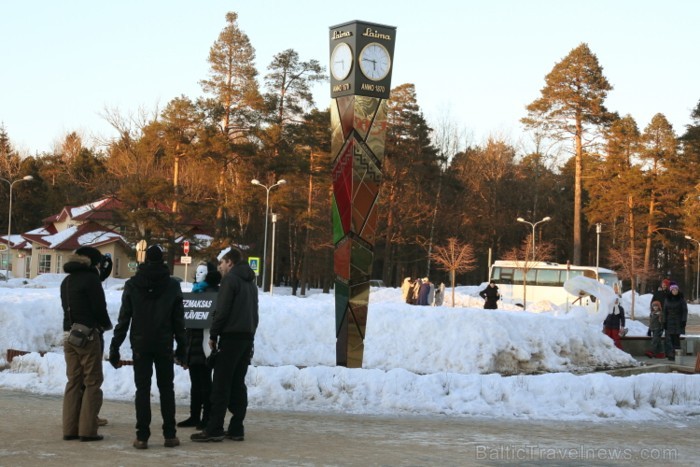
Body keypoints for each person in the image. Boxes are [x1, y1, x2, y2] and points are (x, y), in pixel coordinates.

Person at [109, 244, 187, 450]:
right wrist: (182, 347)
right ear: (162, 259)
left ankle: (142, 436)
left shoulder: (133, 284)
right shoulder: (172, 285)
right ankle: (170, 434)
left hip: (140, 344)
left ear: (145, 258)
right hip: (163, 343)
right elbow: (179, 321)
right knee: (166, 389)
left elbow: (124, 319)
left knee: (142, 389)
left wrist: (115, 346)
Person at [191, 247, 258, 443]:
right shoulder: (251, 282)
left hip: (230, 338)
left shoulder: (230, 280)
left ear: (229, 262)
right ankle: (237, 427)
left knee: (220, 384)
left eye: (221, 263)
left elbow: (222, 310)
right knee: (238, 383)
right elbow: (255, 313)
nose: (219, 267)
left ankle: (215, 429)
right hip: (246, 338)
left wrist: (213, 334)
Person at [60, 246, 113, 442]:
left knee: (73, 381)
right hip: (88, 335)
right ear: (91, 261)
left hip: (69, 335)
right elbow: (100, 308)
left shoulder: (66, 281)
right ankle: (88, 431)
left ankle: (69, 429)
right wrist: (106, 325)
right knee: (92, 382)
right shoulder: (91, 279)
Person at [177, 261, 221, 430]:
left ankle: (206, 417)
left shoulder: (213, 294)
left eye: (203, 271)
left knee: (204, 383)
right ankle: (195, 416)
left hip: (204, 344)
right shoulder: (196, 293)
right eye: (198, 271)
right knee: (196, 383)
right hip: (193, 343)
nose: (198, 274)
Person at [662, 283, 688, 361]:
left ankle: (677, 354)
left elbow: (684, 311)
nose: (675, 291)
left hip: (678, 321)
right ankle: (672, 353)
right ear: (671, 290)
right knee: (670, 338)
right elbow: (665, 311)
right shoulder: (667, 299)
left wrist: (683, 320)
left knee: (676, 338)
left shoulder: (681, 299)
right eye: (673, 290)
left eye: (676, 289)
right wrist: (664, 321)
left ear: (678, 290)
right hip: (670, 320)